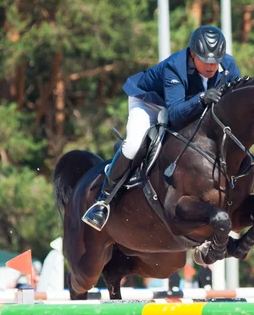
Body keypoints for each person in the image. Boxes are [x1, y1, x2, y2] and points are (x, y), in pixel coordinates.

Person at [82, 25, 241, 231]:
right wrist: (201, 98)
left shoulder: (228, 66)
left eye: (215, 60)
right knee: (134, 145)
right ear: (192, 54)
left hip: (187, 103)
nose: (211, 66)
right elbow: (174, 115)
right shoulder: (175, 66)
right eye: (205, 60)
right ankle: (103, 200)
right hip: (149, 102)